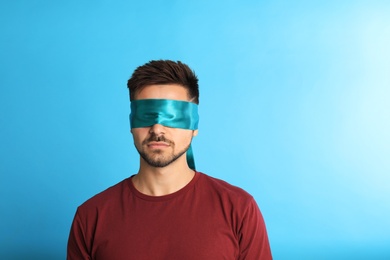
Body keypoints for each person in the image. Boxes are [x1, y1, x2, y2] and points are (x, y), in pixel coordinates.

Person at [67, 60, 272, 259]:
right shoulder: (91, 216)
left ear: (194, 126)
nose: (157, 128)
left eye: (172, 116)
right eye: (146, 115)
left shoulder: (239, 209)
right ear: (132, 124)